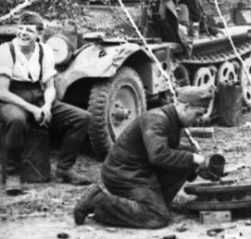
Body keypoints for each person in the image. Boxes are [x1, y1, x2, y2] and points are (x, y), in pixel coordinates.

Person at [72, 85, 214, 229]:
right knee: (157, 216)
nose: (198, 120)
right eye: (198, 114)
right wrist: (194, 159)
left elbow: (170, 153)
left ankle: (152, 203)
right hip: (124, 174)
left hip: (141, 171)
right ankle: (98, 200)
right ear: (186, 107)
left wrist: (197, 167)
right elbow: (158, 155)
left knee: (188, 154)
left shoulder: (173, 120)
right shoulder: (157, 119)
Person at [0, 11, 92, 195]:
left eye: (29, 30)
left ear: (38, 34)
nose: (23, 33)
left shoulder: (46, 51)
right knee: (16, 120)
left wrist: (47, 106)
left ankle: (65, 168)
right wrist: (32, 109)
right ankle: (12, 174)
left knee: (82, 118)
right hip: (12, 97)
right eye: (20, 29)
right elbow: (2, 92)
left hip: (39, 95)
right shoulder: (6, 50)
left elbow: (49, 86)